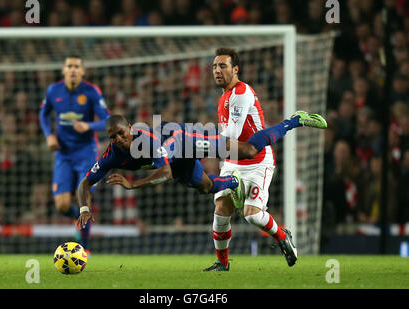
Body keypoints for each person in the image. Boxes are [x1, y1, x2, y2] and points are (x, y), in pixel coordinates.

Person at [76, 112, 327, 233]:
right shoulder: (111, 155)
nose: (119, 139)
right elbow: (85, 184)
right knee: (204, 187)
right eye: (113, 137)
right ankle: (233, 182)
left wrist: (133, 185)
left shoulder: (148, 140)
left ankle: (294, 120)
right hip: (175, 160)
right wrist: (84, 208)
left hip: (185, 141)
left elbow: (165, 173)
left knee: (248, 150)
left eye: (122, 133)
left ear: (130, 128)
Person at [205, 47, 316, 271]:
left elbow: (232, 135)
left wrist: (200, 141)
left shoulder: (241, 92)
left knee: (252, 215)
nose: (217, 70)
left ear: (235, 69)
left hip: (258, 161)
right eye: (215, 66)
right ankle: (222, 264)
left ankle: (282, 235)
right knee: (220, 209)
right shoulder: (224, 97)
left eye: (223, 66)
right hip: (234, 161)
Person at [39, 55, 110, 252]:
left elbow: (108, 121)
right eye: (69, 66)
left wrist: (89, 125)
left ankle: (84, 248)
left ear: (82, 71)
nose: (72, 69)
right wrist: (48, 136)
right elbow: (43, 114)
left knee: (84, 201)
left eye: (76, 66)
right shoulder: (53, 91)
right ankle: (76, 219)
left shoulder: (91, 92)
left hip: (86, 152)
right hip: (63, 153)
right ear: (63, 70)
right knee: (61, 205)